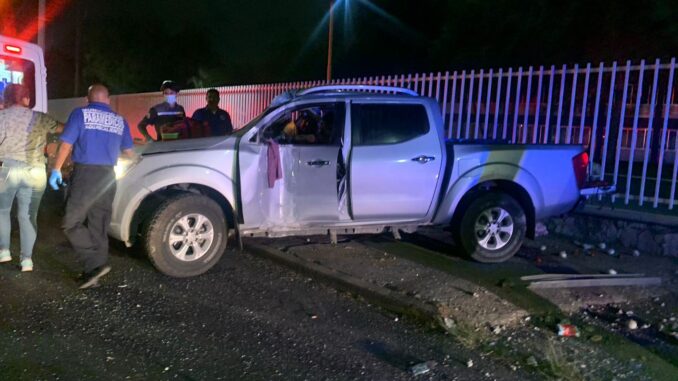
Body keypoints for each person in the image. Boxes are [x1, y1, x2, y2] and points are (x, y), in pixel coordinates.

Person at [50, 84, 135, 289]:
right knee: (99, 225)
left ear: (88, 100)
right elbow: (130, 154)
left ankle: (94, 265)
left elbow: (66, 145)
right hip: (108, 176)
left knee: (71, 222)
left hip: (86, 174)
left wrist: (56, 169)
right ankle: (93, 273)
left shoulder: (80, 114)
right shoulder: (119, 120)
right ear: (107, 99)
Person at [0, 84, 63, 272]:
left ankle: (4, 251)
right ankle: (26, 260)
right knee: (27, 216)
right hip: (35, 171)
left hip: (7, 170)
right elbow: (63, 129)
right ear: (27, 99)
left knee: (3, 211)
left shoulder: (1, 116)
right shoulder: (40, 118)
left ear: (6, 99)